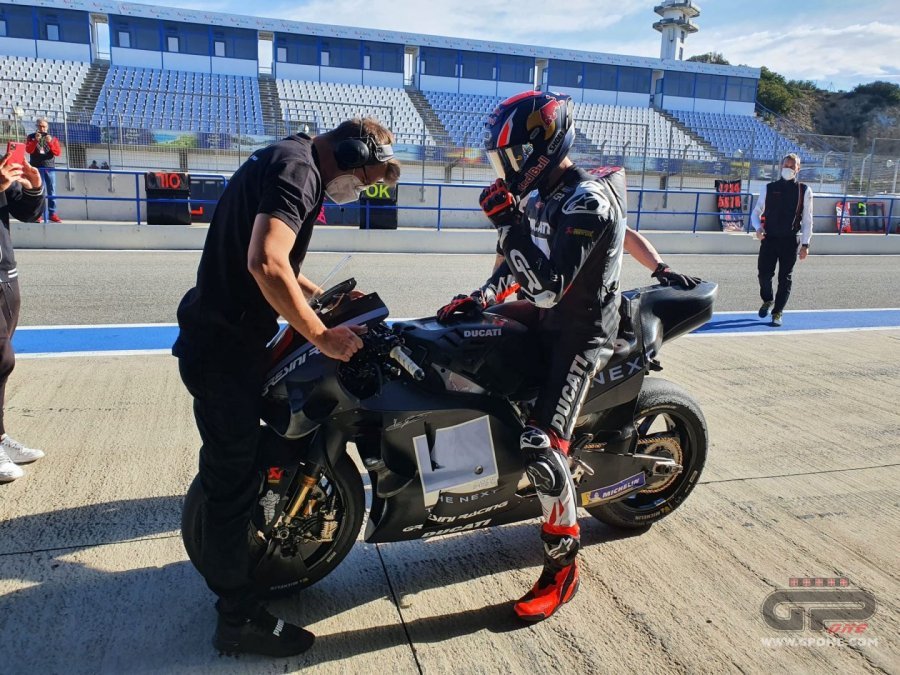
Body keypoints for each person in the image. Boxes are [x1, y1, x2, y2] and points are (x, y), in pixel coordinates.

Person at [436, 91, 699, 622]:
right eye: (500, 161)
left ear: (543, 148)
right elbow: (520, 270)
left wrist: (505, 225)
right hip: (546, 316)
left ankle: (562, 567)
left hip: (582, 333)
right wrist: (482, 298)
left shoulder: (588, 202)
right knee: (457, 349)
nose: (505, 170)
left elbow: (551, 285)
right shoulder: (540, 197)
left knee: (540, 443)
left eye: (511, 159)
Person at [173, 119, 400, 656]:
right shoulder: (300, 172)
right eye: (364, 179)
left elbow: (274, 262)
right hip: (223, 349)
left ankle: (239, 576)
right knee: (231, 481)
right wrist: (322, 335)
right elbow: (264, 262)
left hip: (223, 337)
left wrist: (322, 294)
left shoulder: (284, 156)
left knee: (245, 464)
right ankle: (237, 618)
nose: (358, 192)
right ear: (348, 152)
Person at [0, 153, 46, 483]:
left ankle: (0, 438)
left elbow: (29, 212)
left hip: (6, 276)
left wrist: (33, 184)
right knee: (0, 359)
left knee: (3, 364)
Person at [751, 153, 813, 327]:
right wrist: (758, 228)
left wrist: (805, 244)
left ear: (798, 169)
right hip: (769, 239)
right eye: (786, 165)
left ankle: (777, 312)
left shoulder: (804, 190)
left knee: (785, 278)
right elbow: (756, 212)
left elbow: (808, 220)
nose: (789, 168)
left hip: (790, 240)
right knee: (764, 275)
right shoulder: (769, 188)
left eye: (792, 166)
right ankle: (767, 299)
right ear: (780, 167)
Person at [24, 118, 62, 223]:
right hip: (36, 168)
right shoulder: (31, 137)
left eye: (44, 126)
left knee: (52, 192)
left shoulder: (53, 138)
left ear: (47, 127)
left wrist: (50, 143)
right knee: (38, 192)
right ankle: (38, 215)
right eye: (40, 126)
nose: (42, 128)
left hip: (49, 168)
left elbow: (58, 153)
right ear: (37, 126)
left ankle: (52, 214)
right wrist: (35, 140)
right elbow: (28, 150)